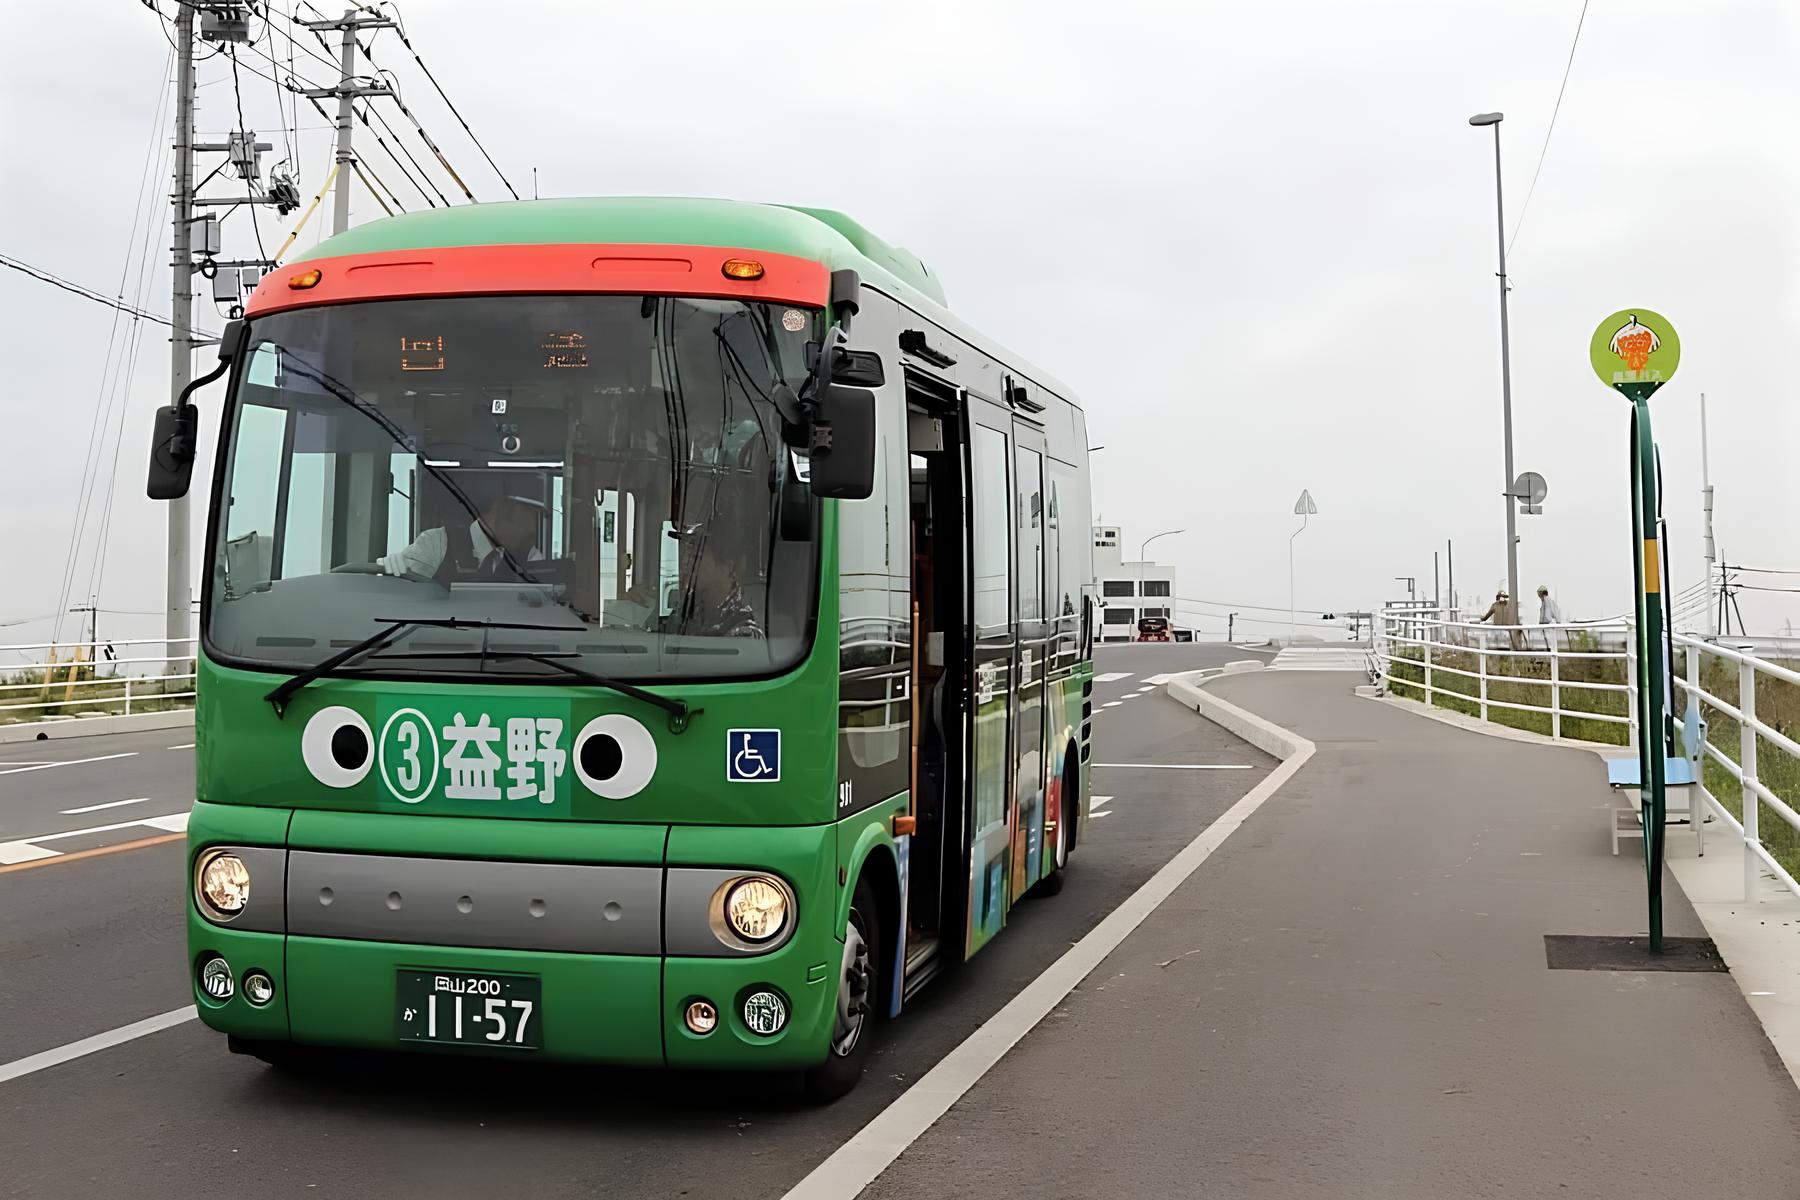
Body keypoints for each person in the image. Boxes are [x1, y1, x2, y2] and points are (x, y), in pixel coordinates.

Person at [378, 495, 545, 582]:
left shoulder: (530, 556)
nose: (531, 531)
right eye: (525, 521)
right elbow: (403, 598)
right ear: (499, 513)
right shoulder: (435, 543)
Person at [673, 526, 764, 639]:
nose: (684, 562)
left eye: (696, 556)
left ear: (730, 568)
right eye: (685, 554)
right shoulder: (686, 614)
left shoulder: (745, 633)